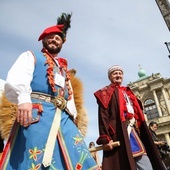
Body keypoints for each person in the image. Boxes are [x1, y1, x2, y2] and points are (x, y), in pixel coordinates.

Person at [0, 13, 99, 170]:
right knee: (34, 157)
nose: (54, 40)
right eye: (50, 37)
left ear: (62, 44)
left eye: (58, 38)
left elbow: (69, 97)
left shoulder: (63, 70)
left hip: (64, 119)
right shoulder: (31, 56)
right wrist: (24, 99)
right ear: (43, 40)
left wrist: (73, 116)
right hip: (37, 115)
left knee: (77, 155)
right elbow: (18, 77)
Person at [94, 65, 166, 170]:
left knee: (144, 160)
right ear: (110, 77)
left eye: (120, 73)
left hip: (133, 131)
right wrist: (105, 139)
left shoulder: (127, 92)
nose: (118, 75)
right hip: (118, 133)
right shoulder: (105, 93)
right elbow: (103, 117)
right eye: (115, 73)